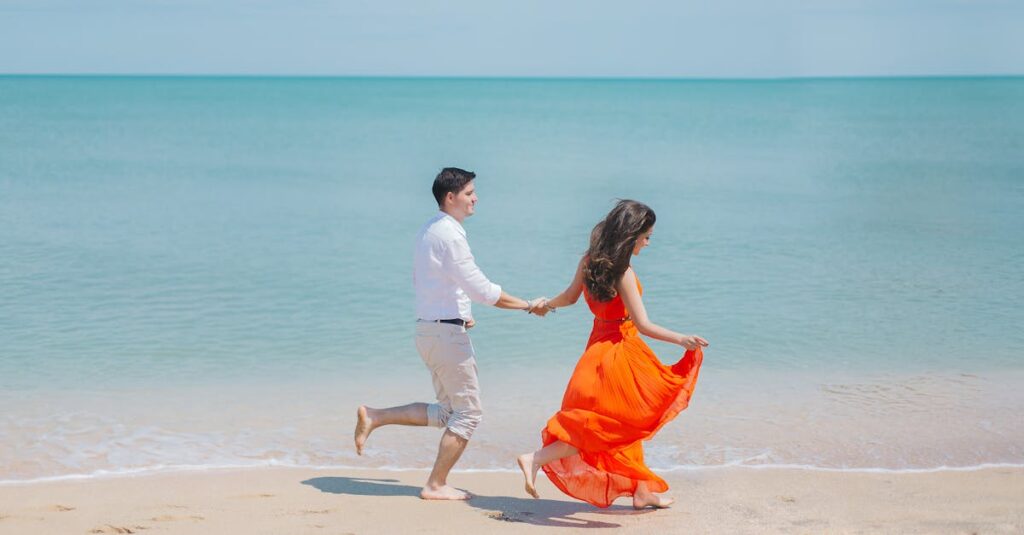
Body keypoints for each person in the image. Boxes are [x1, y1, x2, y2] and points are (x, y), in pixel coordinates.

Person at [354, 167, 547, 501]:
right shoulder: (451, 235)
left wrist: (464, 314)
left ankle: (375, 416)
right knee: (469, 413)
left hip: (430, 330)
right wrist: (529, 305)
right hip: (445, 336)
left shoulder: (430, 229)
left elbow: (437, 282)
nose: (475, 198)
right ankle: (436, 484)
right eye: (470, 193)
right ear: (450, 197)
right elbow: (482, 289)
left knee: (447, 412)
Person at [515, 199, 708, 509]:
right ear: (631, 235)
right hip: (620, 351)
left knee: (623, 423)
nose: (647, 243)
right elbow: (643, 324)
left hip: (596, 350)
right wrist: (681, 339)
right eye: (646, 236)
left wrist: (545, 305)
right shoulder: (624, 272)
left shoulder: (589, 261)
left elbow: (568, 297)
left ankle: (641, 492)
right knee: (611, 425)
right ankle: (535, 458)